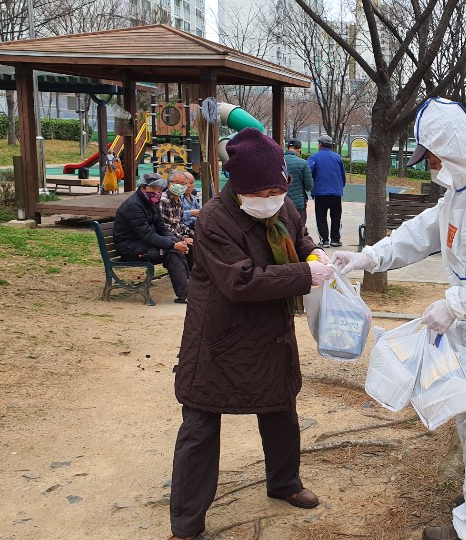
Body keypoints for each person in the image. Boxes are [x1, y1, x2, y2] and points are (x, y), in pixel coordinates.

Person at [331, 99, 466, 540]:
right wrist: (367, 258)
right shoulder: (461, 197)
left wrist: (456, 304)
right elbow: (420, 233)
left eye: (432, 155)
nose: (429, 164)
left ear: (453, 149)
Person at [168, 128, 333, 540]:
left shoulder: (284, 208)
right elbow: (240, 282)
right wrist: (303, 273)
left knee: (279, 408)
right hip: (220, 336)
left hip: (271, 330)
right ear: (236, 187)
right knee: (201, 423)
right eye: (259, 192)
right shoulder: (213, 219)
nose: (268, 199)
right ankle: (187, 524)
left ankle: (285, 483)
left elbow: (300, 238)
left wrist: (314, 253)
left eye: (275, 190)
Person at [113, 172, 190, 304]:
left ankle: (190, 289)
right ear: (143, 188)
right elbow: (147, 235)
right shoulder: (134, 206)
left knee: (181, 248)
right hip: (130, 249)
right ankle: (185, 294)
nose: (158, 192)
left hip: (144, 244)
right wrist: (172, 245)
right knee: (170, 252)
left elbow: (162, 228)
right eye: (154, 188)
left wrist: (178, 242)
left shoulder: (152, 202)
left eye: (160, 189)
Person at [308, 134, 346, 248]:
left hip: (320, 192)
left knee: (321, 217)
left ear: (320, 144)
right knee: (336, 216)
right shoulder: (338, 157)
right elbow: (343, 175)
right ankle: (335, 239)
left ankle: (324, 240)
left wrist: (311, 187)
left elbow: (308, 172)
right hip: (335, 193)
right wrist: (340, 187)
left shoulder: (314, 157)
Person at [284, 138, 314, 223]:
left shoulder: (279, 161)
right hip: (298, 204)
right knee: (300, 230)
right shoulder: (303, 163)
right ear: (299, 150)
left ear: (287, 148)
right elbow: (309, 186)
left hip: (282, 203)